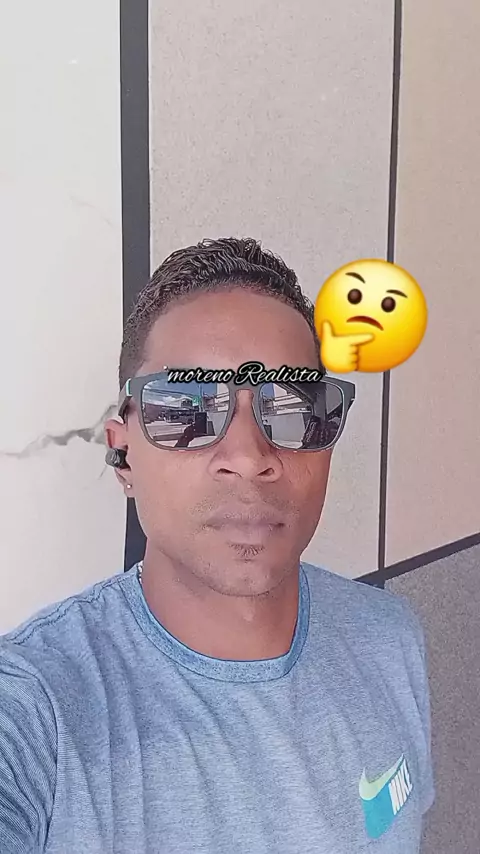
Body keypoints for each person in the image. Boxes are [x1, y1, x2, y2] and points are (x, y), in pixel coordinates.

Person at [0, 238, 434, 853]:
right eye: (188, 409)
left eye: (293, 407)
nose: (249, 457)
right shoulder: (35, 711)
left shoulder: (389, 638)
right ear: (123, 455)